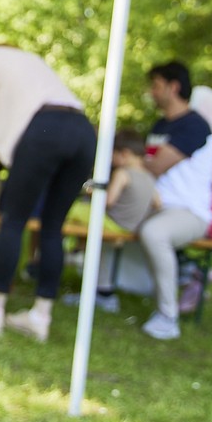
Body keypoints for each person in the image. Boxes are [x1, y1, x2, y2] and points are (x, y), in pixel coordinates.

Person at [0, 44, 96, 342]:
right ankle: (40, 317)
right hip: (83, 131)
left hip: (44, 130)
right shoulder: (24, 58)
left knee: (13, 220)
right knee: (53, 228)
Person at [136, 61, 212, 340]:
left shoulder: (195, 125)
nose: (151, 92)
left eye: (156, 86)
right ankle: (104, 292)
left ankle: (168, 317)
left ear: (174, 87)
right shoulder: (159, 125)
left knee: (154, 233)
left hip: (188, 213)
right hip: (155, 206)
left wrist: (130, 159)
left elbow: (155, 166)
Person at [63, 128, 161, 313]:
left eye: (113, 155)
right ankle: (80, 253)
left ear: (124, 154)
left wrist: (92, 192)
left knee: (74, 209)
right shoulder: (149, 177)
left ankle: (72, 249)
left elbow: (108, 201)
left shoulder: (123, 173)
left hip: (112, 222)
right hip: (130, 227)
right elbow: (157, 202)